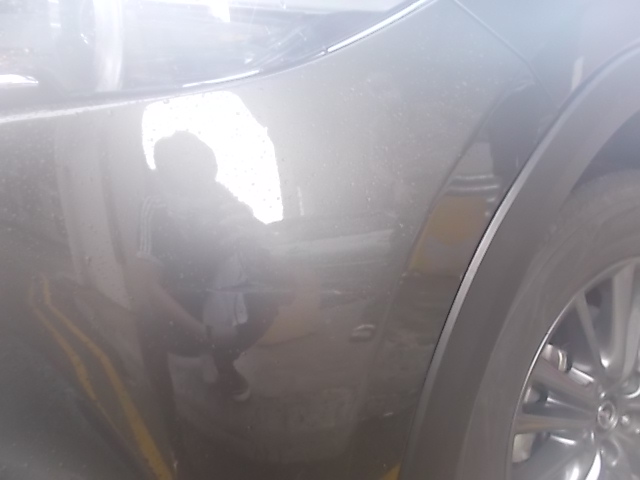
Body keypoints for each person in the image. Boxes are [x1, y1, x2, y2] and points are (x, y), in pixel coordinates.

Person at [134, 131, 276, 474]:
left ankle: (221, 360)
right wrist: (202, 332)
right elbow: (148, 285)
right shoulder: (155, 208)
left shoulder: (220, 196)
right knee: (150, 329)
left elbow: (259, 248)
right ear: (167, 170)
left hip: (223, 291)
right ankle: (175, 441)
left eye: (200, 160)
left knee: (269, 301)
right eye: (184, 161)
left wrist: (251, 230)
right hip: (181, 302)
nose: (196, 169)